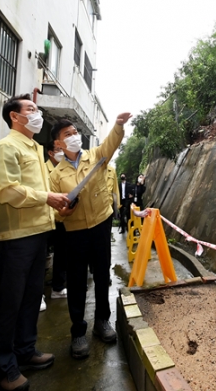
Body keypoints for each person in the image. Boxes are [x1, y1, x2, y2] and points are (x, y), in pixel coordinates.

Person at [0, 94, 70, 391]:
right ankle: (3, 368)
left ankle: (25, 350)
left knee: (32, 297)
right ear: (14, 116)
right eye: (31, 109)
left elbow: (42, 189)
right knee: (10, 302)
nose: (37, 114)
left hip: (38, 232)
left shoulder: (34, 148)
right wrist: (48, 198)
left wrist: (57, 203)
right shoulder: (5, 147)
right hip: (16, 236)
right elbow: (6, 190)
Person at [49, 113, 132, 359]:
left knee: (102, 273)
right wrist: (63, 212)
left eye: (75, 132)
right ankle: (78, 332)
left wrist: (117, 126)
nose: (74, 136)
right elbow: (55, 212)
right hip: (74, 231)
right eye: (68, 135)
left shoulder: (95, 155)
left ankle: (102, 322)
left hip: (100, 225)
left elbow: (111, 144)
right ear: (58, 144)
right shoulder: (56, 175)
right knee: (76, 282)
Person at [41, 141, 68, 312]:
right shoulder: (43, 169)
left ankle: (58, 288)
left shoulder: (66, 169)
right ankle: (38, 294)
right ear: (51, 153)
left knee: (61, 254)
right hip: (45, 219)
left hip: (61, 218)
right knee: (41, 257)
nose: (62, 153)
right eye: (59, 150)